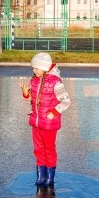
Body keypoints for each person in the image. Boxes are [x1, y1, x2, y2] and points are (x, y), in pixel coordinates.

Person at [19, 52, 70, 186]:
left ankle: (50, 177)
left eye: (36, 68)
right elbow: (33, 101)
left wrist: (54, 112)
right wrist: (26, 94)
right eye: (33, 67)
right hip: (36, 122)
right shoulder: (34, 80)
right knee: (38, 149)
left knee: (49, 149)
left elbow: (66, 102)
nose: (33, 70)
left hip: (48, 124)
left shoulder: (55, 82)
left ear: (44, 67)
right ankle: (41, 176)